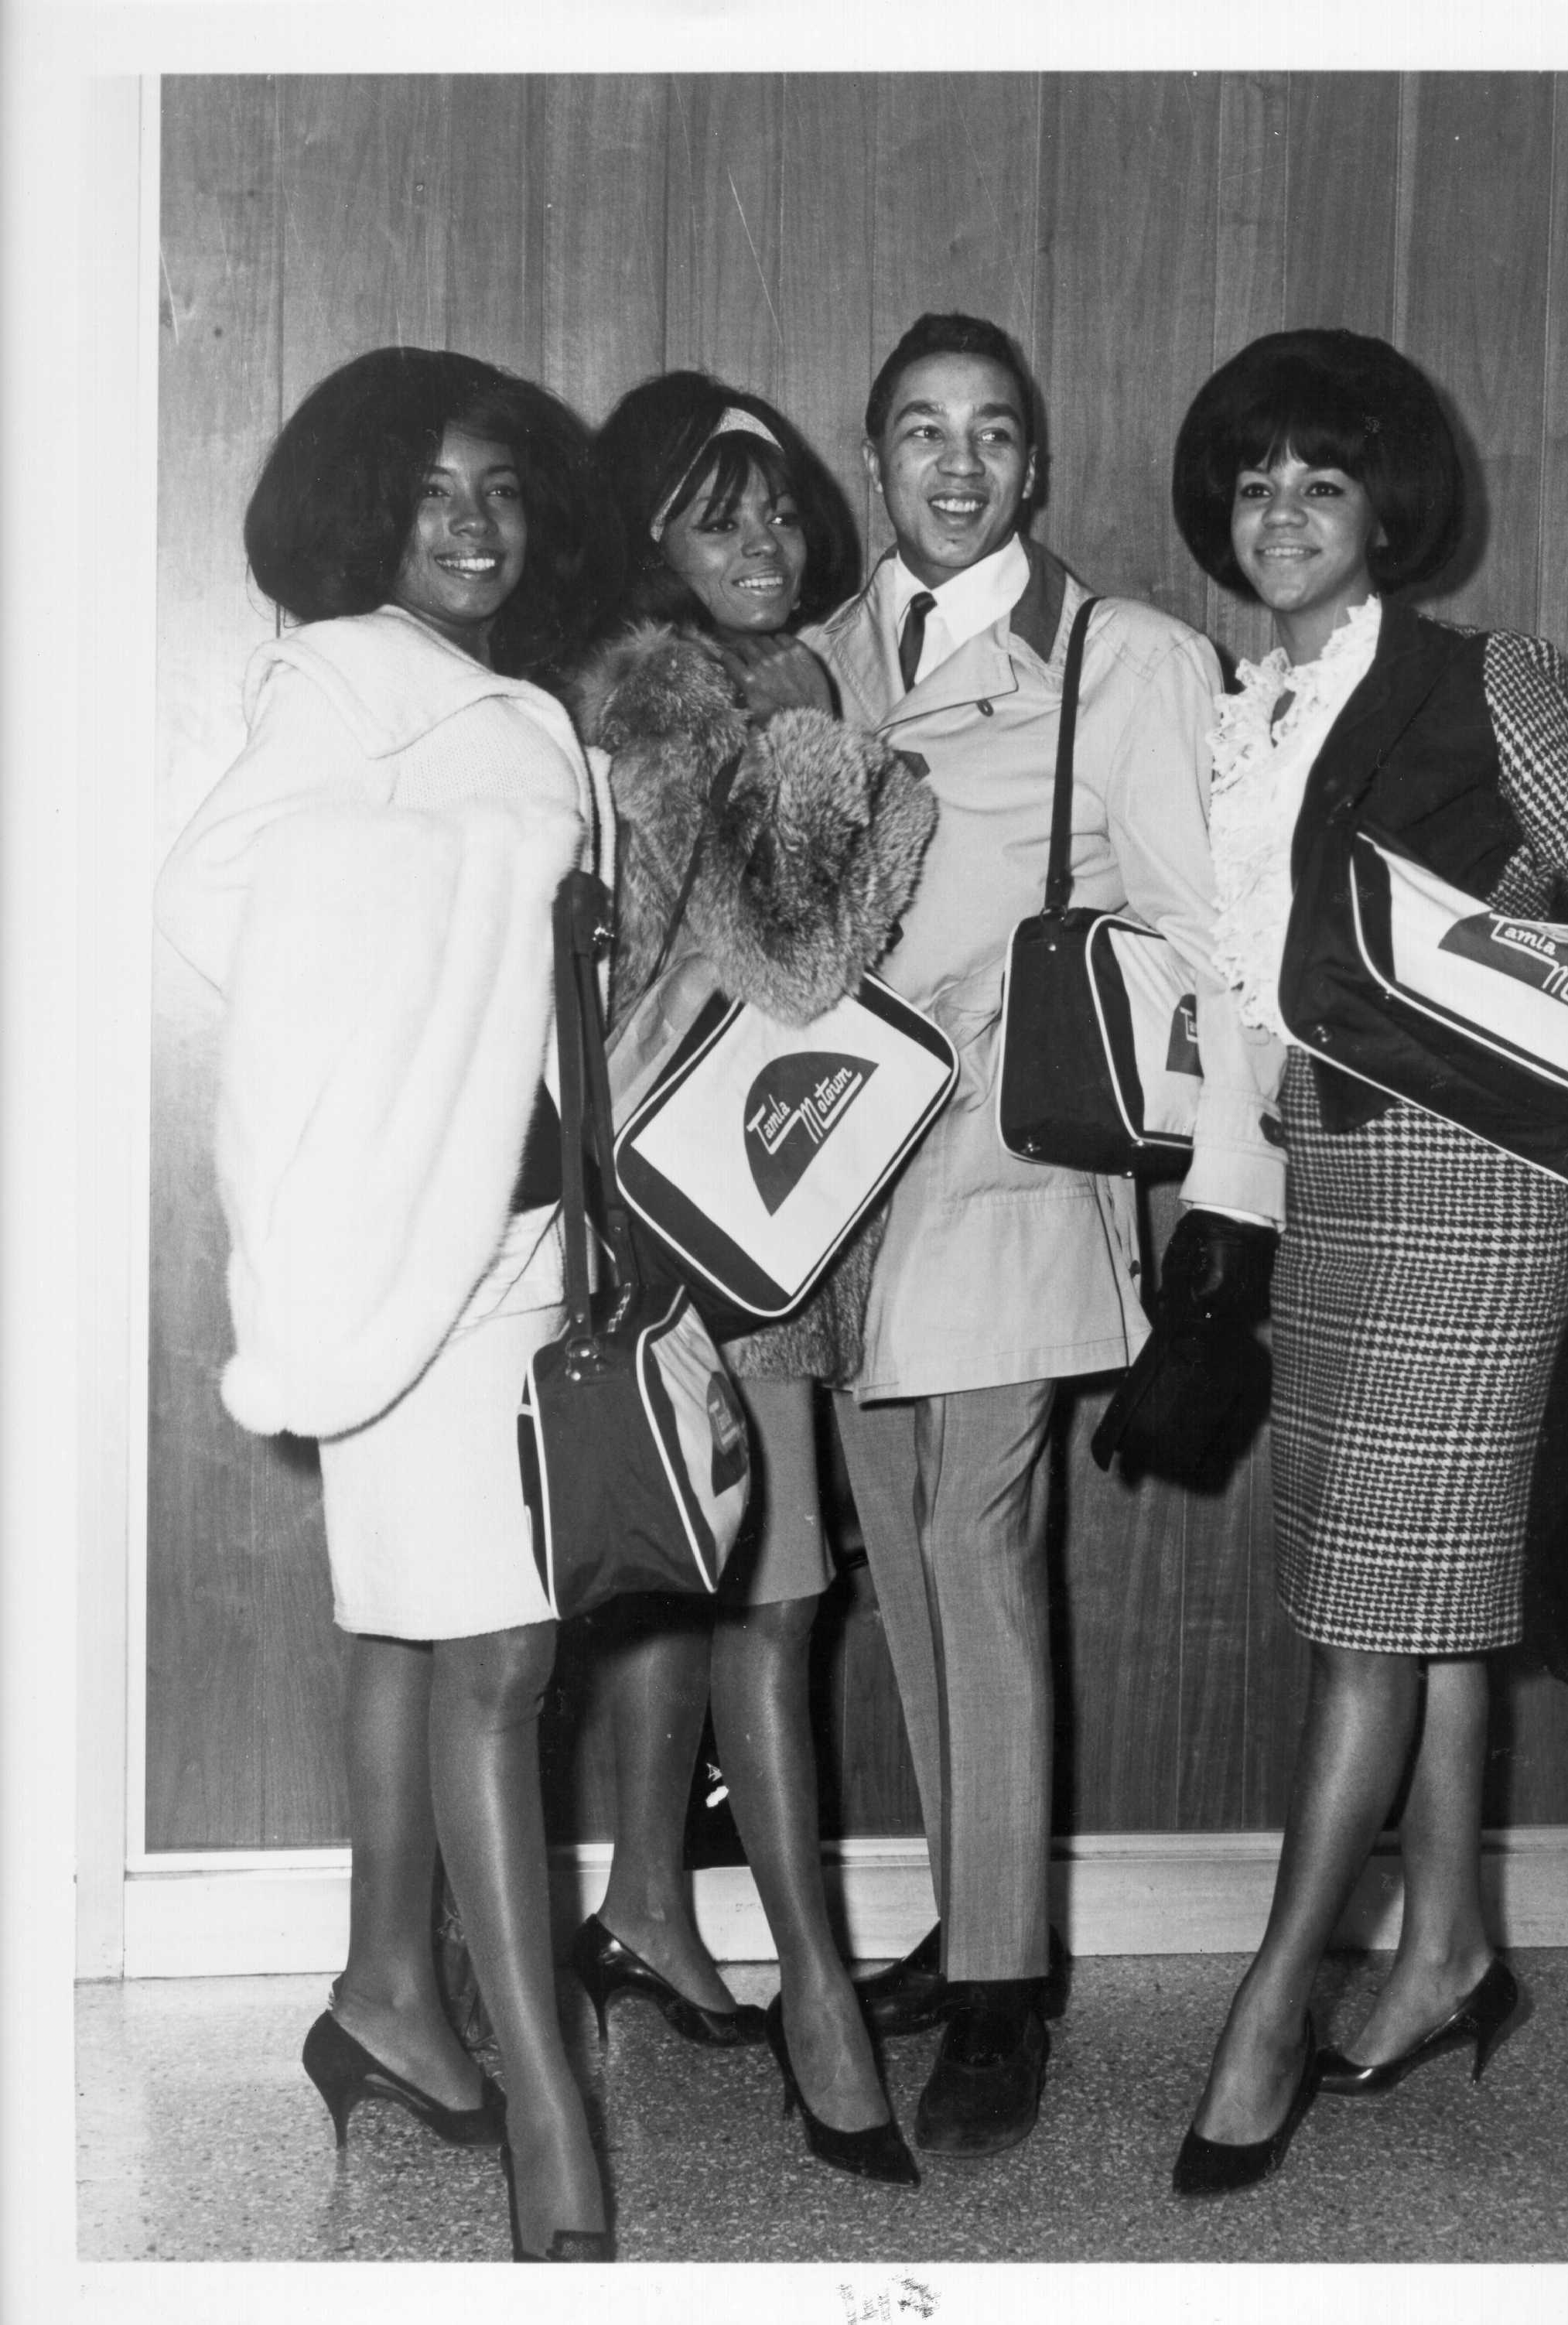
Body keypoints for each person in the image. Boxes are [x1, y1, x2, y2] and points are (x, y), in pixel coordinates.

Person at [1163, 327, 1568, 2193]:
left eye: (1323, 480)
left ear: (1383, 506)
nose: (1284, 512)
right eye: (1255, 482)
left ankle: (1268, 2010)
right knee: (1417, 1594)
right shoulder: (1246, 710)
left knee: (1364, 1627)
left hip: (1481, 1193)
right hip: (1331, 1195)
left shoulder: (1492, 682)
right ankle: (1448, 1955)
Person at [804, 313, 1289, 2157]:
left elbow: (1210, 957)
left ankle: (1002, 1991)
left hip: (1008, 1165)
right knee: (901, 1557)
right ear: (873, 460)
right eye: (918, 432)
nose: (953, 466)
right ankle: (969, 1908)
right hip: (829, 1184)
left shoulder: (1124, 658)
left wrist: (1219, 1240)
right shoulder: (820, 662)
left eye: (990, 437)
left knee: (972, 1534)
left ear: (1036, 468)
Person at [155, 347, 620, 2261]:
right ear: (366, 511)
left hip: (520, 1244)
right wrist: (484, 878)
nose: (475, 525)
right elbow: (215, 898)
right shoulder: (334, 674)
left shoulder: (527, 703)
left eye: (503, 490)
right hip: (405, 1233)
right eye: (433, 493)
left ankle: (386, 1999)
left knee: (426, 1633)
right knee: (499, 1652)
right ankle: (554, 2130)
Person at [565, 374, 937, 2184]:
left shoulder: (712, 684)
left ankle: (647, 1902)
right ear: (648, 540)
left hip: (740, 1191)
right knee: (774, 1598)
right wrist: (874, 773)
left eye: (782, 509)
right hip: (714, 1210)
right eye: (720, 515)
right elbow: (797, 970)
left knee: (696, 1578)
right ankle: (818, 2000)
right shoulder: (675, 699)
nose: (766, 541)